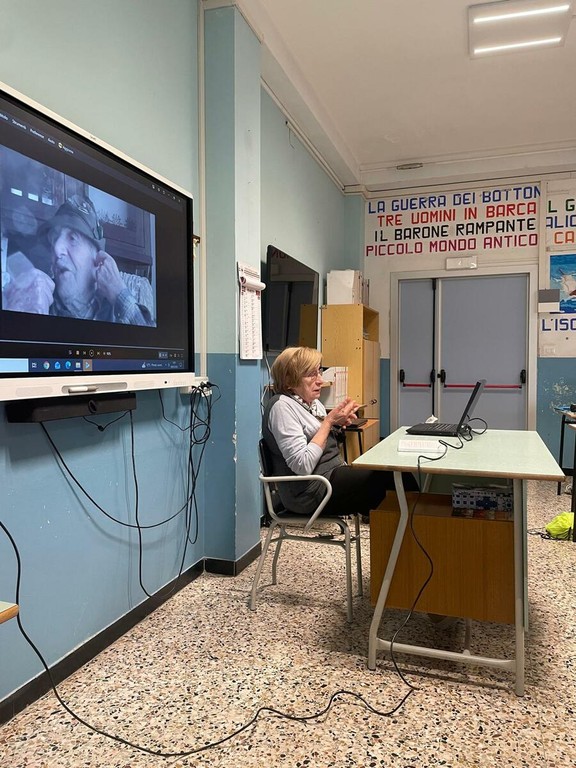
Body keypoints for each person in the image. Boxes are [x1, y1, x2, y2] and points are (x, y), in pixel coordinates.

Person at [263, 346, 414, 518]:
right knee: (390, 478)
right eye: (311, 374)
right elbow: (302, 465)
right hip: (309, 493)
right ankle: (410, 527)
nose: (320, 380)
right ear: (289, 380)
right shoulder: (281, 407)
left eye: (319, 371)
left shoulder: (312, 403)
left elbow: (322, 442)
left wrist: (336, 425)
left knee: (396, 472)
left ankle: (408, 526)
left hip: (330, 477)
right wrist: (328, 422)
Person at [2, 194, 154, 325]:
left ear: (97, 258)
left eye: (73, 239)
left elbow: (151, 345)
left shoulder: (116, 311)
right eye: (54, 239)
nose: (56, 248)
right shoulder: (38, 300)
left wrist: (119, 293)